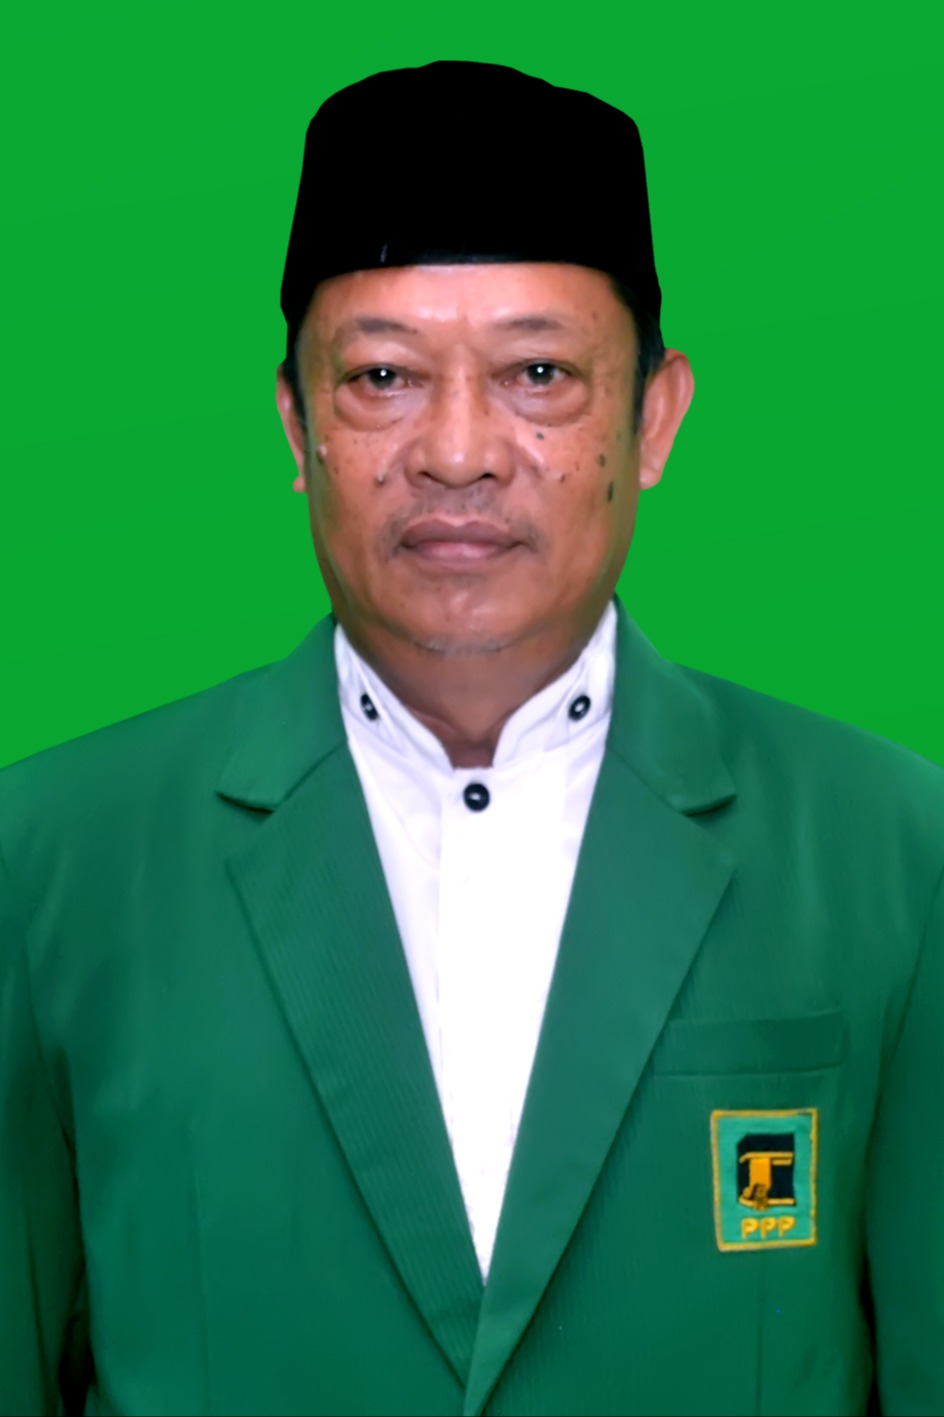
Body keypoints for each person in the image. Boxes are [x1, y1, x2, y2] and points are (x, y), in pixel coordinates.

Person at [1, 59, 941, 1417]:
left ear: (655, 416)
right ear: (297, 422)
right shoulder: (50, 866)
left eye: (537, 373)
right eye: (382, 375)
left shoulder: (894, 855)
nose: (456, 450)